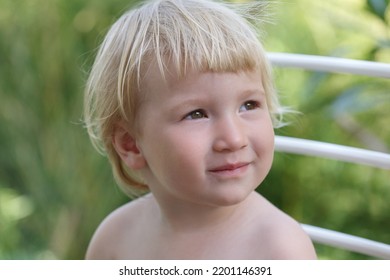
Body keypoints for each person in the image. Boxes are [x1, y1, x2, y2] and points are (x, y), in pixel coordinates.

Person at [84, 0, 317, 259]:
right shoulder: (115, 239)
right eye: (196, 114)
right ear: (131, 144)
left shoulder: (280, 250)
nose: (234, 138)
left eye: (248, 105)